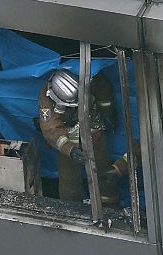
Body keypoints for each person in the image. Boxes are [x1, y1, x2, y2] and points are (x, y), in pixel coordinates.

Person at [37, 69, 131, 206]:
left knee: (105, 173)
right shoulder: (46, 98)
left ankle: (109, 204)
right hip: (67, 138)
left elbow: (103, 91)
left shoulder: (91, 78)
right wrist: (70, 150)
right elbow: (50, 129)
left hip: (94, 132)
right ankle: (72, 209)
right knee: (69, 180)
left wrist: (108, 113)